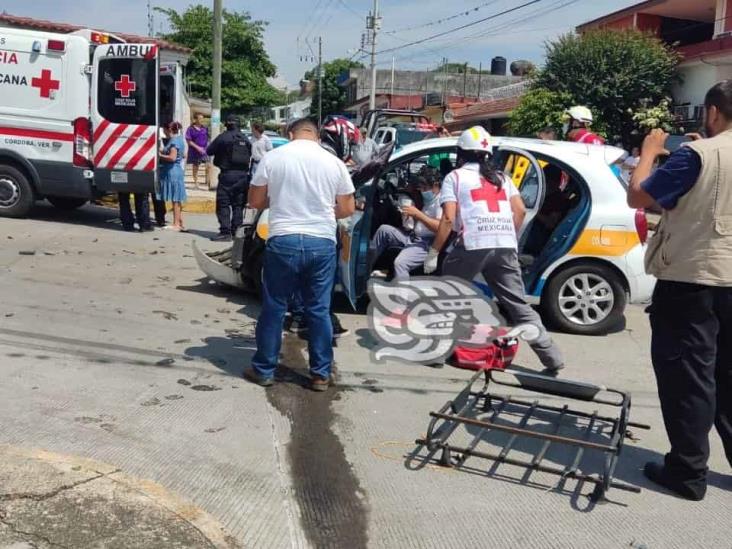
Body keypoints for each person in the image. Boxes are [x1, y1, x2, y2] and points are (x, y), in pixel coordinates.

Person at [627, 81, 732, 501]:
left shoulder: (697, 156)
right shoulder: (701, 155)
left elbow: (638, 194)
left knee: (689, 378)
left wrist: (650, 152)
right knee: (727, 377)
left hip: (693, 281)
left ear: (712, 113)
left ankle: (687, 472)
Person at [424, 126, 565, 375]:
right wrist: (507, 234)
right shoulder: (502, 178)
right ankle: (552, 357)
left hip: (472, 244)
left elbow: (447, 219)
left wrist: (434, 252)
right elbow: (520, 211)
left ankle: (438, 353)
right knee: (518, 304)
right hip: (505, 244)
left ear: (461, 152)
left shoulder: (454, 177)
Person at [246, 118, 355, 391]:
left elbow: (255, 201)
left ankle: (264, 370)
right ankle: (320, 374)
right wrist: (321, 211)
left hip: (283, 240)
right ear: (316, 136)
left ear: (290, 133)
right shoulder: (334, 163)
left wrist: (281, 202)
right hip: (321, 242)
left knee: (274, 307)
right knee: (318, 310)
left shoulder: (273, 157)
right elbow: (347, 208)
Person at [369, 168, 442, 281]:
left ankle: (403, 296)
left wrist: (417, 214)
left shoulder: (440, 201)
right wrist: (409, 216)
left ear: (436, 185)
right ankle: (367, 267)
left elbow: (439, 227)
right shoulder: (428, 200)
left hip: (426, 243)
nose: (422, 191)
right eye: (421, 187)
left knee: (400, 263)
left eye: (425, 187)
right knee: (384, 230)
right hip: (413, 236)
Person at [206, 115, 251, 242]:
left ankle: (225, 232)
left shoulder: (223, 137)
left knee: (223, 204)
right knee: (238, 205)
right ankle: (236, 232)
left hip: (227, 176)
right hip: (243, 177)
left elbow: (209, 151)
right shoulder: (245, 138)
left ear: (227, 124)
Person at [158, 121, 187, 231]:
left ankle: (175, 224)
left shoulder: (174, 141)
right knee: (177, 198)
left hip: (172, 172)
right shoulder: (179, 139)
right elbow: (183, 155)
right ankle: (179, 221)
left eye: (164, 130)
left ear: (168, 129)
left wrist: (160, 155)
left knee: (175, 199)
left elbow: (172, 157)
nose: (164, 132)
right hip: (177, 171)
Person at [185, 113, 209, 190]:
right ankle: (196, 183)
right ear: (195, 119)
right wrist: (198, 148)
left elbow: (207, 138)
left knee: (208, 166)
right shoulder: (190, 129)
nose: (201, 120)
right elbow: (189, 141)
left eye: (202, 118)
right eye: (200, 118)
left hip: (204, 151)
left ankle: (208, 182)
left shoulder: (204, 128)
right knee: (195, 167)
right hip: (195, 151)